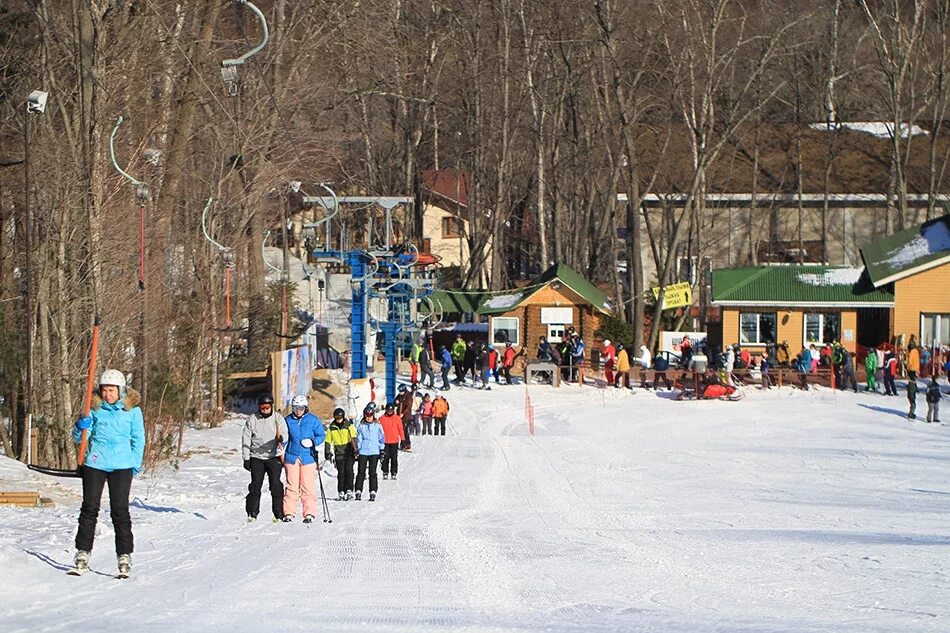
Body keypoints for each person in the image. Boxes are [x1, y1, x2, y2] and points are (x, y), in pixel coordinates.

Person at [70, 369, 145, 577]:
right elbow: (79, 439)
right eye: (104, 390)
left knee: (119, 510)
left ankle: (124, 555)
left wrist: (134, 465)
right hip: (96, 462)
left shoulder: (132, 412)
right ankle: (82, 552)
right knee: (89, 507)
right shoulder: (93, 409)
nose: (107, 395)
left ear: (120, 391)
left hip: (122, 465)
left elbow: (139, 440)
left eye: (111, 390)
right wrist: (79, 426)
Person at [242, 393, 288, 524]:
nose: (265, 409)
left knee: (276, 485)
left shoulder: (278, 419)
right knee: (256, 485)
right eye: (262, 407)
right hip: (256, 456)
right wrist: (246, 458)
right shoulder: (252, 419)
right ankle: (252, 512)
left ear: (271, 406)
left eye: (267, 407)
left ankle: (278, 513)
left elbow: (285, 434)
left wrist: (281, 439)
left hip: (273, 456)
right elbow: (246, 439)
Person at [281, 395, 326, 523]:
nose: (298, 411)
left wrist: (313, 442)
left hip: (308, 457)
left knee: (307, 486)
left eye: (301, 408)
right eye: (295, 408)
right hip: (292, 457)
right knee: (291, 486)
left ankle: (309, 512)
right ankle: (289, 512)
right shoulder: (288, 420)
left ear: (305, 407)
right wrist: (279, 447)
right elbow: (284, 438)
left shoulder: (313, 420)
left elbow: (321, 435)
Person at [355, 404, 385, 501]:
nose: (368, 418)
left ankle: (373, 490)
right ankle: (358, 490)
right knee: (361, 472)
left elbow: (381, 439)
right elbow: (359, 439)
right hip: (363, 451)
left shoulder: (377, 426)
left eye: (370, 416)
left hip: (374, 451)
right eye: (367, 416)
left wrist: (382, 450)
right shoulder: (361, 426)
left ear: (373, 415)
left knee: (372, 472)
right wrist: (357, 449)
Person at [327, 407, 357, 501]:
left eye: (340, 418)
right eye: (336, 418)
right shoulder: (332, 427)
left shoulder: (348, 425)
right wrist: (327, 452)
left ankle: (349, 490)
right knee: (341, 473)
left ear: (343, 417)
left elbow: (354, 436)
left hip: (349, 452)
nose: (338, 420)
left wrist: (356, 448)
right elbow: (328, 440)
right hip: (339, 452)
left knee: (349, 471)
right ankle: (341, 491)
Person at [379, 402, 405, 479]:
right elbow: (378, 430)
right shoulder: (382, 418)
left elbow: (400, 429)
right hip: (385, 442)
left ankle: (394, 472)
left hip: (394, 441)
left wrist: (402, 439)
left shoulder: (397, 418)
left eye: (391, 410)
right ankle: (385, 472)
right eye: (388, 410)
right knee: (385, 458)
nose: (390, 412)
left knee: (394, 458)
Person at [395, 385, 414, 451]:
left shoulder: (408, 396)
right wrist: (396, 402)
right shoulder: (399, 396)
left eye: (401, 391)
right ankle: (402, 444)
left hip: (406, 416)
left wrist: (403, 413)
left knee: (405, 430)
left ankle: (407, 444)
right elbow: (395, 402)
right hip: (399, 415)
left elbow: (408, 406)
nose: (400, 392)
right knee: (400, 430)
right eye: (399, 391)